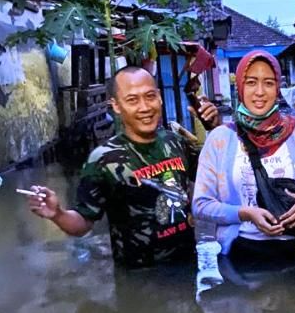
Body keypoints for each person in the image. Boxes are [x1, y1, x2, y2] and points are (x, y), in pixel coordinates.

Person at [27, 66, 220, 267]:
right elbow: (84, 223)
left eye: (150, 96)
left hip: (188, 264)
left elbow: (219, 173)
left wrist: (215, 128)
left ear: (160, 98)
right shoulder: (103, 160)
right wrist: (57, 214)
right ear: (116, 105)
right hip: (140, 276)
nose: (145, 107)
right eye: (132, 100)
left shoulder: (175, 142)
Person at [192, 50, 295, 260]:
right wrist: (245, 213)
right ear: (240, 87)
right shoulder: (220, 139)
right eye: (251, 82)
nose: (260, 91)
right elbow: (200, 205)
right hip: (240, 253)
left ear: (277, 87)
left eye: (268, 83)